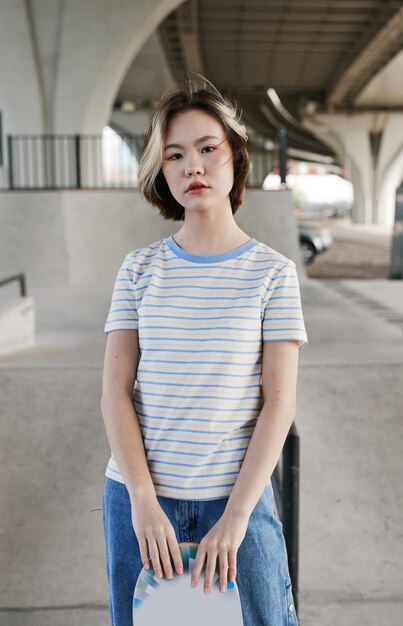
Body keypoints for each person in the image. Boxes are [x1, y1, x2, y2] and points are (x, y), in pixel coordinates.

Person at [101, 72, 308, 626]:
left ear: (235, 157)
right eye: (174, 155)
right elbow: (115, 394)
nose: (192, 166)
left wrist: (237, 517)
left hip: (236, 502)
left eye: (207, 149)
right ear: (160, 171)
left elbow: (278, 404)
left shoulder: (272, 274)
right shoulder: (138, 270)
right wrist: (143, 503)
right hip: (141, 503)